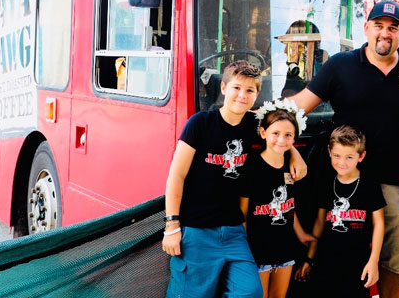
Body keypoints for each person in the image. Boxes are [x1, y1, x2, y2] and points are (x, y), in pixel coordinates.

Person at [292, 0, 399, 298]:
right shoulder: (340, 65)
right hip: (343, 176)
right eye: (379, 26)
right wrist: (285, 142)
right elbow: (296, 108)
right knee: (335, 251)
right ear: (366, 28)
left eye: (392, 28)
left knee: (393, 259)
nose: (385, 34)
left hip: (395, 181)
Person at [162, 60, 307, 298]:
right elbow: (176, 175)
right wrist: (172, 225)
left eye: (250, 90)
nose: (242, 95)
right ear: (224, 88)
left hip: (233, 231)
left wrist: (294, 154)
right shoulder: (200, 124)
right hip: (197, 229)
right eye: (237, 88)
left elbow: (280, 131)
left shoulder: (254, 125)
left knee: (250, 291)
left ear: (257, 94)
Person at [295, 125, 385, 298]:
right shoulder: (327, 184)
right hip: (326, 261)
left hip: (357, 263)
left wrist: (373, 261)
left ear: (361, 156)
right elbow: (320, 223)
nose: (342, 162)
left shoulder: (369, 185)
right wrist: (309, 259)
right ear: (329, 152)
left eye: (349, 157)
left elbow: (379, 223)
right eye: (337, 155)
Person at [240, 99, 315, 298]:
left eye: (288, 135)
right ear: (263, 133)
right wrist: (243, 252)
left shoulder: (291, 167)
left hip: (284, 247)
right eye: (276, 134)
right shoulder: (252, 167)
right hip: (257, 250)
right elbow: (243, 214)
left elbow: (288, 206)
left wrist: (300, 234)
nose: (281, 140)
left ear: (294, 139)